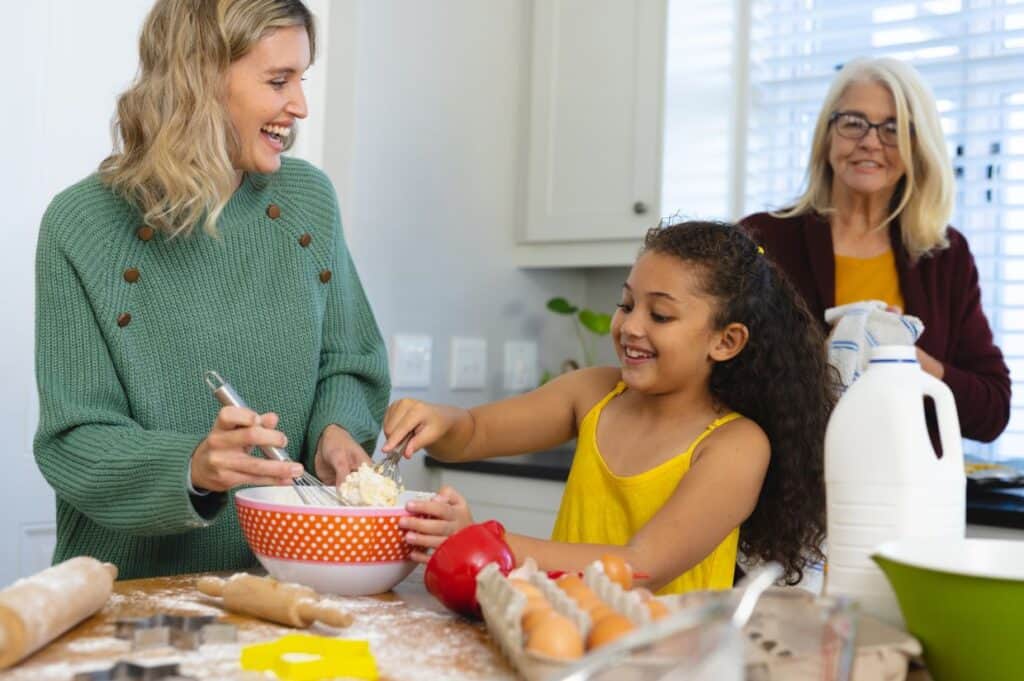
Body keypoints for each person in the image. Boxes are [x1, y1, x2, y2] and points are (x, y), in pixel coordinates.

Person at [33, 0, 389, 579]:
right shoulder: (81, 224)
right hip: (129, 592)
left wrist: (336, 429)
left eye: (301, 79)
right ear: (198, 80)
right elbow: (74, 440)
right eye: (278, 81)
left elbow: (347, 360)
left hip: (282, 581)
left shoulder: (309, 203)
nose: (298, 106)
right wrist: (194, 467)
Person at [385, 221, 838, 593]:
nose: (630, 326)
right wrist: (439, 421)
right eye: (626, 304)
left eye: (660, 315)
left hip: (667, 662)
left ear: (726, 340)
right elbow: (474, 434)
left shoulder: (736, 445)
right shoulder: (595, 393)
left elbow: (642, 566)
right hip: (565, 641)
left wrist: (487, 542)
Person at [741, 57, 1010, 442]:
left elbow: (991, 412)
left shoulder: (944, 255)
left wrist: (906, 360)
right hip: (789, 485)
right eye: (853, 122)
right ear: (828, 134)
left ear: (918, 147)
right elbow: (716, 371)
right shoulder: (762, 238)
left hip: (906, 487)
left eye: (893, 128)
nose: (870, 141)